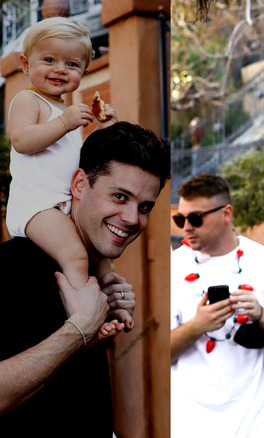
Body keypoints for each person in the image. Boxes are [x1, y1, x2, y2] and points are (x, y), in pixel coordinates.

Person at [0, 122, 171, 435]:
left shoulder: (94, 276)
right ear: (79, 184)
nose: (133, 219)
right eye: (120, 197)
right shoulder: (13, 265)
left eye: (144, 207)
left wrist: (90, 338)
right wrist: (79, 328)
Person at [6, 17, 128, 338]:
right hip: (36, 207)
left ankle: (114, 309)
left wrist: (104, 130)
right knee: (75, 255)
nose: (60, 69)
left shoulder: (67, 112)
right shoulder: (27, 100)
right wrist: (67, 122)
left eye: (71, 64)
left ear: (83, 72)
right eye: (49, 60)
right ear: (25, 63)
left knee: (101, 260)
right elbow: (22, 139)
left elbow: (77, 161)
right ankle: (83, 317)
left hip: (63, 207)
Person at [170, 174, 264, 438]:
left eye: (196, 218)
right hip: (188, 427)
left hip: (256, 427)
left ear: (227, 214)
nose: (186, 228)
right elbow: (157, 356)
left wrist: (262, 316)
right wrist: (197, 326)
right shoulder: (171, 267)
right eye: (180, 219)